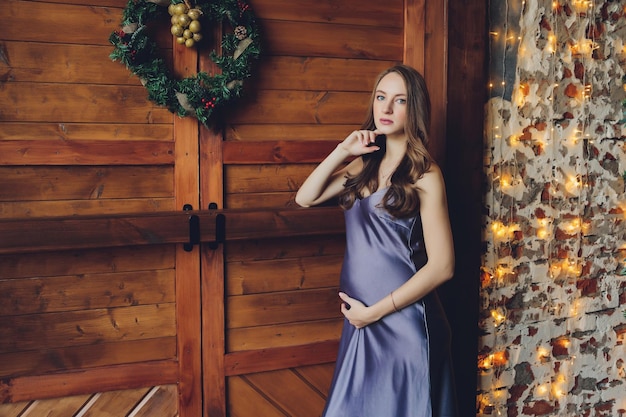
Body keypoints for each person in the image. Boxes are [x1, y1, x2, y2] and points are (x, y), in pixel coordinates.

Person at [295, 65, 457, 417]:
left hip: (404, 324)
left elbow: (443, 267)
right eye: (381, 98)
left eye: (398, 101)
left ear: (413, 109)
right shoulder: (362, 167)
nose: (385, 109)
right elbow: (305, 198)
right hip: (361, 320)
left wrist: (375, 313)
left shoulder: (426, 175)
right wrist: (343, 150)